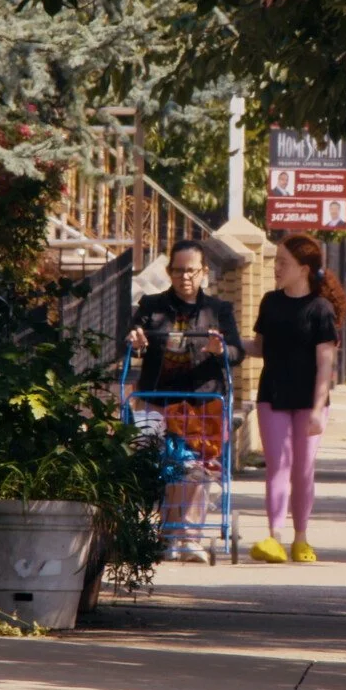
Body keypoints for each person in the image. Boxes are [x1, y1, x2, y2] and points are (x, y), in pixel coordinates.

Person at [127, 240, 245, 563]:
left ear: (204, 272)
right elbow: (132, 337)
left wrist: (221, 350)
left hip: (201, 400)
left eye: (191, 270)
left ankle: (189, 536)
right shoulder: (152, 305)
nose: (185, 277)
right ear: (169, 272)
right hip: (158, 397)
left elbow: (238, 352)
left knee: (195, 465)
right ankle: (168, 535)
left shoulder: (218, 310)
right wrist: (135, 339)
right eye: (178, 270)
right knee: (165, 463)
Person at [244, 234, 346, 564]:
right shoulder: (270, 303)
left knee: (303, 470)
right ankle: (274, 537)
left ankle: (301, 538)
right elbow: (259, 347)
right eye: (276, 261)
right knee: (277, 466)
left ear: (304, 269)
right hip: (272, 395)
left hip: (309, 401)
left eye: (283, 263)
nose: (276, 267)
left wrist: (318, 409)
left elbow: (325, 365)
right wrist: (228, 343)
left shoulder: (321, 311)